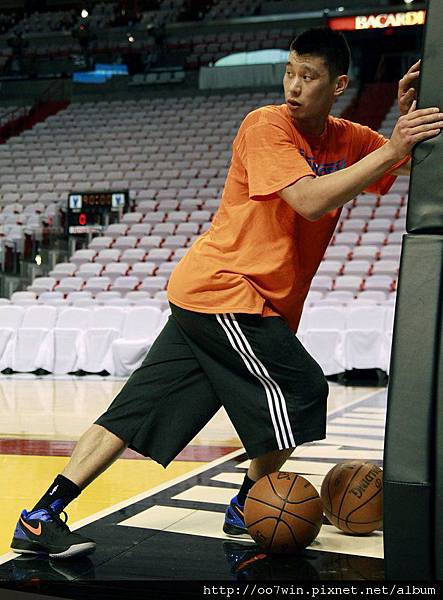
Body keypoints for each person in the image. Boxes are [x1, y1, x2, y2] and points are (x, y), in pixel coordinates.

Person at [11, 27, 442, 559]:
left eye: (309, 76)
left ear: (338, 85)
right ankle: (246, 505)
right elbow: (309, 201)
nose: (293, 85)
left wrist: (401, 127)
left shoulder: (347, 137)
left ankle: (40, 517)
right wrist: (393, 146)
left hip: (219, 299)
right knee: (304, 388)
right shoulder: (265, 125)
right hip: (228, 292)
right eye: (289, 71)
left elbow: (394, 162)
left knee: (131, 412)